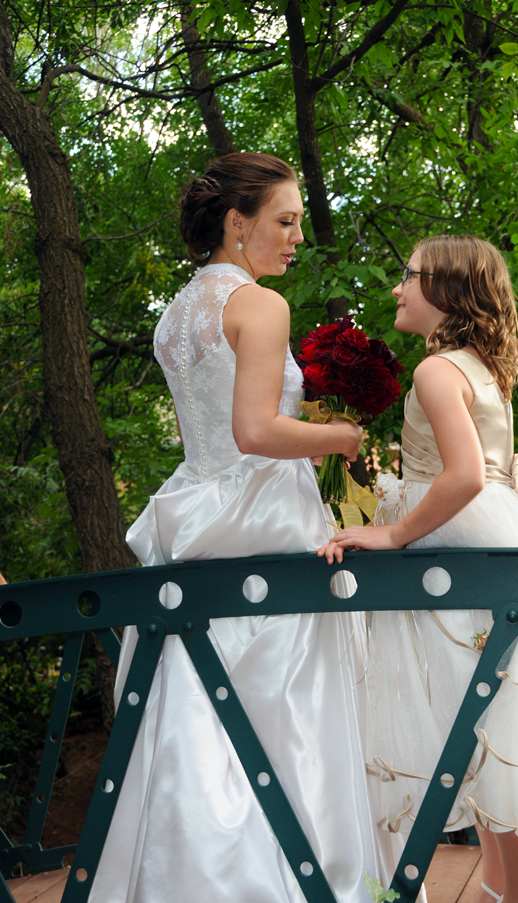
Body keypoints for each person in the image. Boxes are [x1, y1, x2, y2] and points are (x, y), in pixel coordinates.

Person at [90, 152, 401, 903]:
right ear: (238, 223)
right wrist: (343, 438)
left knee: (192, 699)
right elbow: (257, 429)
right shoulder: (260, 306)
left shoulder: (177, 312)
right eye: (284, 221)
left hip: (194, 506)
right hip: (261, 516)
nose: (296, 236)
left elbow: (215, 432)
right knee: (288, 706)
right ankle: (303, 879)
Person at [318, 234, 518, 903]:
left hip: (463, 550)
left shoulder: (435, 371)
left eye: (408, 276)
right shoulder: (477, 365)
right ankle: (504, 889)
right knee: (488, 719)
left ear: (445, 291)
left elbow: (465, 474)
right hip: (495, 542)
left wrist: (390, 533)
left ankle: (517, 894)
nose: (396, 287)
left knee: (473, 713)